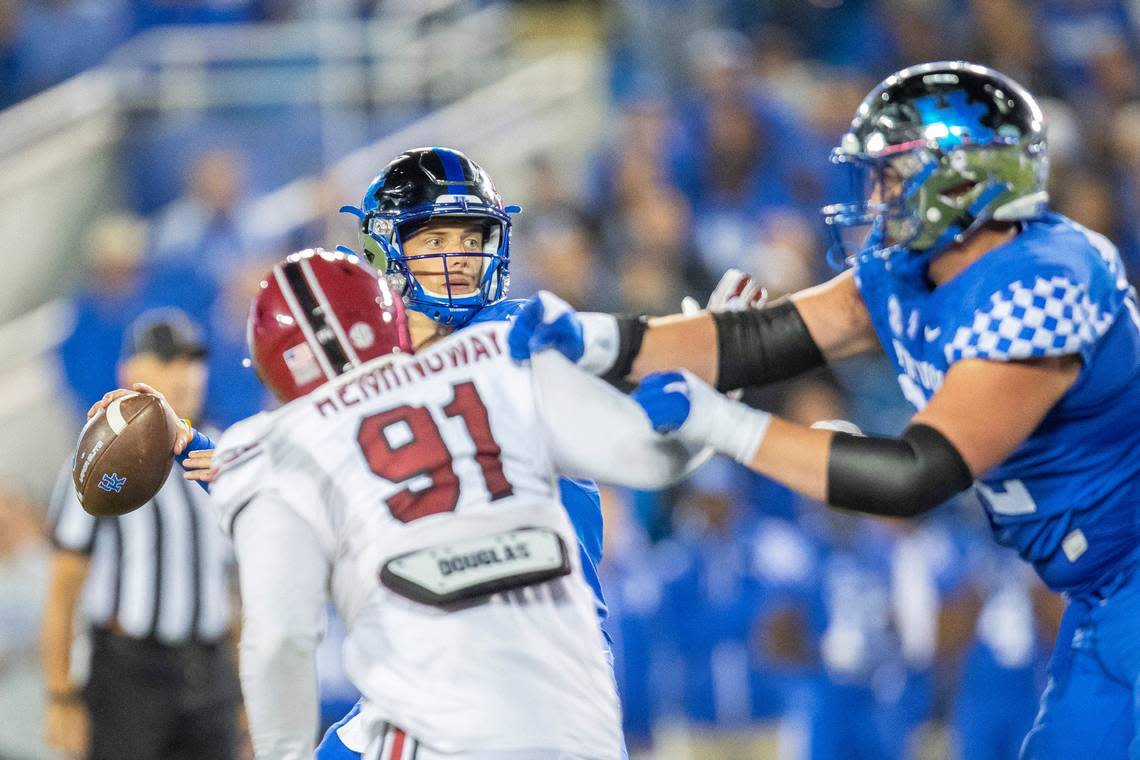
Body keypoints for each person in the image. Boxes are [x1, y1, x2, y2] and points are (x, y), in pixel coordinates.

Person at [510, 61, 1140, 758]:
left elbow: (915, 475)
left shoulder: (1044, 280)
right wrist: (598, 337)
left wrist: (723, 424)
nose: (875, 193)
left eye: (895, 173)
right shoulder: (915, 271)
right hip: (1102, 594)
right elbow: (752, 342)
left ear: (966, 177)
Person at [208, 248, 699, 759]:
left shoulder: (282, 447)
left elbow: (281, 640)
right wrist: (711, 402)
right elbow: (653, 459)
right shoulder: (490, 362)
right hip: (574, 696)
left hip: (446, 708)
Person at [42, 309, 241, 760]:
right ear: (131, 371)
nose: (187, 374)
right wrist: (60, 695)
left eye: (194, 361)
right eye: (169, 361)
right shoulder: (99, 459)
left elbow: (233, 588)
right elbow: (63, 587)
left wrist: (244, 686)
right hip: (130, 675)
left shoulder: (222, 453)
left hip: (211, 674)